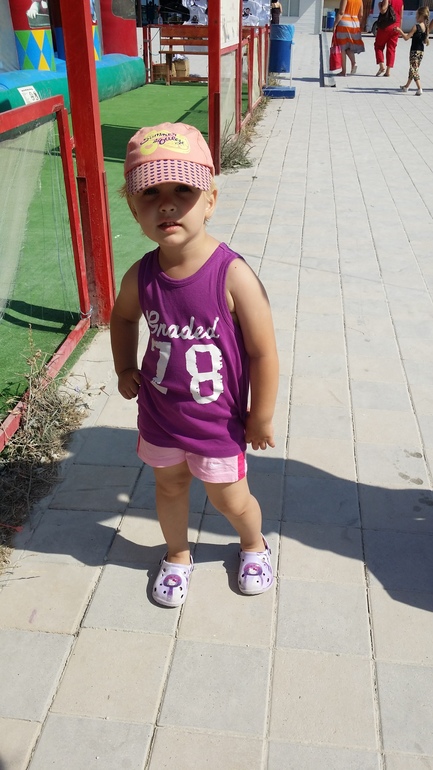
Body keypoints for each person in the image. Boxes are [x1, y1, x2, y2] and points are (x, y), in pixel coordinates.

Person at [110, 122, 279, 608]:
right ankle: (177, 553)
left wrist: (261, 415)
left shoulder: (233, 275)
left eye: (182, 190)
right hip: (161, 417)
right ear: (134, 209)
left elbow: (263, 352)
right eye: (151, 193)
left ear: (210, 200)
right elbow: (122, 318)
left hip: (218, 423)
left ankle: (253, 545)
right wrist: (124, 368)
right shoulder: (140, 276)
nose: (166, 204)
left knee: (230, 498)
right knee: (169, 488)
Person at [397, 6, 429, 95]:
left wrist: (400, 31)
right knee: (413, 68)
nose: (416, 17)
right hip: (421, 51)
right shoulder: (426, 27)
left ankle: (419, 88)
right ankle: (406, 86)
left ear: (421, 16)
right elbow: (425, 41)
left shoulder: (416, 27)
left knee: (414, 69)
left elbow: (406, 38)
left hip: (414, 51)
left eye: (417, 15)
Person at [333, 0, 365, 76]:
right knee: (349, 47)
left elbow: (341, 12)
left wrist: (335, 24)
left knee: (342, 48)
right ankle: (354, 63)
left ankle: (343, 71)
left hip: (344, 23)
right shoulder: (360, 0)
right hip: (355, 23)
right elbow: (361, 15)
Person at [374, 0, 403, 76]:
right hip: (396, 26)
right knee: (391, 49)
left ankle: (381, 66)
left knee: (378, 46)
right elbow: (401, 16)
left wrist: (379, 5)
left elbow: (383, 10)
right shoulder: (401, 1)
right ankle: (388, 71)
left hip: (386, 26)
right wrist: (400, 29)